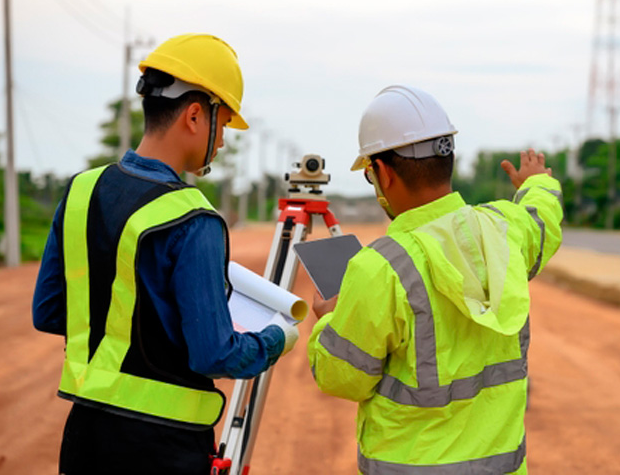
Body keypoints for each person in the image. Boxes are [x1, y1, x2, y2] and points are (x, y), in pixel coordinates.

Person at [32, 33, 298, 475]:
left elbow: (50, 311)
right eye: (224, 123)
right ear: (195, 115)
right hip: (164, 449)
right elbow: (214, 355)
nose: (223, 142)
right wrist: (277, 338)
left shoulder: (81, 190)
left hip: (84, 440)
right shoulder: (194, 218)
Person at [307, 85, 563, 474]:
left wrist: (329, 318)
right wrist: (537, 183)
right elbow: (542, 218)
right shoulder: (505, 231)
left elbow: (342, 377)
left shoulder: (379, 268)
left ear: (383, 174)